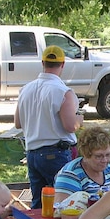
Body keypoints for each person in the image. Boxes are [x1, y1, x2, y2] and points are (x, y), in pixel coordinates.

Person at [14, 45, 84, 208]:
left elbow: (18, 123)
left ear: (43, 63)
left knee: (39, 203)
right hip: (56, 152)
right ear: (63, 64)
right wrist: (79, 119)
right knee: (63, 202)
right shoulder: (62, 91)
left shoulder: (26, 89)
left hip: (32, 152)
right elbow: (70, 126)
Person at [53, 126, 110, 205]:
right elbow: (60, 208)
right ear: (86, 155)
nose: (105, 160)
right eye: (98, 156)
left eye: (108, 155)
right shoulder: (70, 174)